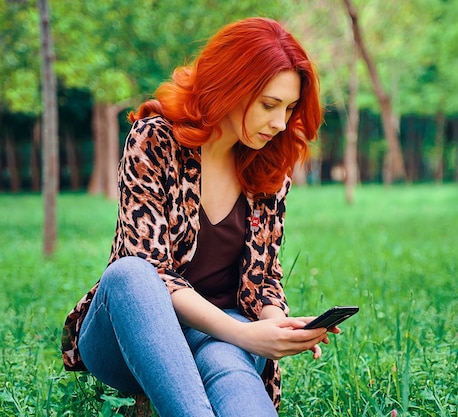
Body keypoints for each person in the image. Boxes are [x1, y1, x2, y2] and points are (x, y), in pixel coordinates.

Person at [61, 17, 332, 417]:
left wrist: (276, 328)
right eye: (269, 105)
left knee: (229, 367)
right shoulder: (155, 140)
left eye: (289, 108)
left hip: (225, 336)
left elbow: (265, 277)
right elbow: (150, 267)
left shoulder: (272, 163)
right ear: (229, 87)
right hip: (133, 333)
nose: (279, 123)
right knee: (131, 274)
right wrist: (245, 334)